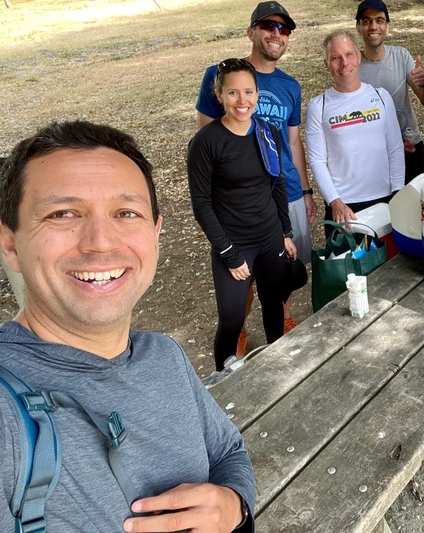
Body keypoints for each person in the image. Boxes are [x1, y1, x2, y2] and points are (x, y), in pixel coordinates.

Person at [0, 120, 255, 532]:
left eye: (126, 213)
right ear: (10, 243)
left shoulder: (163, 355)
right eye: (63, 214)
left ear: (155, 233)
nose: (101, 241)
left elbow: (228, 452)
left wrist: (233, 504)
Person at [196, 0, 314, 340]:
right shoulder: (220, 75)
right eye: (268, 26)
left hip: (284, 190)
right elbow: (206, 134)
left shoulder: (290, 86)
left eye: (283, 28)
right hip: (242, 198)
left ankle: (284, 319)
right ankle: (240, 330)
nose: (276, 34)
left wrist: (305, 190)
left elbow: (293, 142)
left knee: (284, 265)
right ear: (251, 32)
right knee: (243, 270)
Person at [188, 58, 296, 372]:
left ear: (257, 94)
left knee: (274, 305)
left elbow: (277, 183)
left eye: (248, 92)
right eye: (233, 93)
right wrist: (229, 254)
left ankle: (278, 367)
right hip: (233, 243)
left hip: (270, 237)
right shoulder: (206, 142)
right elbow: (201, 205)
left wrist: (286, 232)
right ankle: (223, 377)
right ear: (219, 95)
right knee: (232, 318)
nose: (242, 100)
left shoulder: (267, 132)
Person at [305, 30, 405, 230]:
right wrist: (334, 201)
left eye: (349, 54)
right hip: (344, 206)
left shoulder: (381, 97)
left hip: (384, 198)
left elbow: (394, 148)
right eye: (335, 58)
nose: (344, 63)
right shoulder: (319, 106)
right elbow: (317, 160)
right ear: (326, 64)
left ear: (358, 57)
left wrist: (398, 193)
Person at [355, 0, 424, 183]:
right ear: (358, 28)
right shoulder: (352, 65)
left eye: (379, 20)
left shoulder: (401, 56)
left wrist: (423, 83)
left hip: (410, 149)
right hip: (374, 155)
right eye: (366, 21)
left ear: (387, 27)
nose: (373, 26)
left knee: (416, 201)